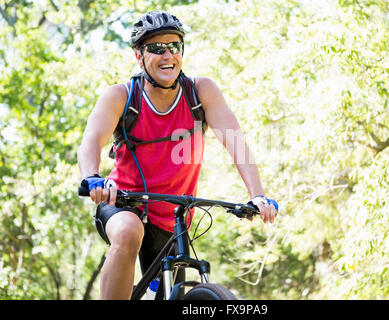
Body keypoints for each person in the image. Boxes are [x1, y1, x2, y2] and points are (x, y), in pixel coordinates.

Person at [77, 10, 278, 300]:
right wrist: (92, 178)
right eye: (157, 48)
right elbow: (91, 141)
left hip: (173, 219)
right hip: (123, 203)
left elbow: (236, 142)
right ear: (138, 56)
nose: (168, 55)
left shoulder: (200, 92)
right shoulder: (122, 96)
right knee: (127, 232)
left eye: (175, 46)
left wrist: (257, 195)